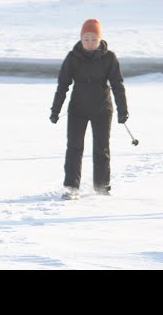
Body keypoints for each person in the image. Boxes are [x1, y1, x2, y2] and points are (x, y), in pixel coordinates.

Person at [50, 19, 129, 200]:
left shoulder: (109, 58)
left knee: (102, 148)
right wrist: (55, 110)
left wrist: (122, 110)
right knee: (74, 147)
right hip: (78, 109)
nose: (90, 42)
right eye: (86, 38)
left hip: (102, 109)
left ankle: (102, 186)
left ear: (100, 39)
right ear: (81, 38)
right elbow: (63, 85)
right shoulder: (72, 57)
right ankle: (71, 186)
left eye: (94, 39)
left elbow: (117, 85)